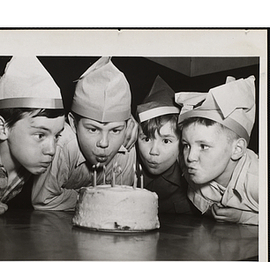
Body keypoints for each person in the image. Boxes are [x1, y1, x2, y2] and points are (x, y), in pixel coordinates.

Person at [32, 57, 136, 211]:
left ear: (128, 127)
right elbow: (43, 201)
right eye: (93, 129)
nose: (104, 143)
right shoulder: (62, 144)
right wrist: (97, 198)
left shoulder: (126, 148)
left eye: (115, 130)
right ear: (73, 123)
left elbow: (121, 204)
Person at [0, 56, 65, 215]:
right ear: (2, 128)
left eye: (57, 136)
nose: (52, 150)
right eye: (40, 135)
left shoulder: (27, 160)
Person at [176, 75, 258, 225]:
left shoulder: (258, 181)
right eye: (186, 145)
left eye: (203, 146)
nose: (190, 157)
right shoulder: (193, 172)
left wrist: (245, 217)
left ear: (237, 149)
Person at [136, 76, 195, 214]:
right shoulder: (126, 169)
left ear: (182, 143)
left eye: (166, 141)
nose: (153, 151)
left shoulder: (192, 176)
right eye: (146, 139)